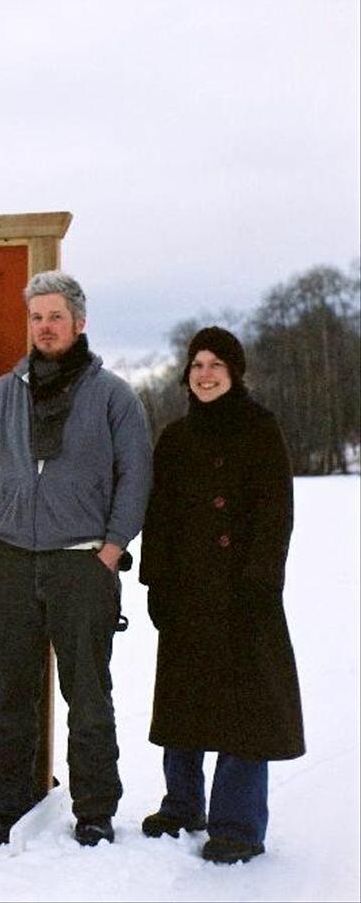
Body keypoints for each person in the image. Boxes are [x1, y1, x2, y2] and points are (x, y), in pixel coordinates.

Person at [0, 270, 152, 848]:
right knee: (10, 695)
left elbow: (135, 476)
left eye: (56, 317)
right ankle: (9, 802)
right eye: (37, 317)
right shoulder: (2, 395)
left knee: (88, 695)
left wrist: (112, 548)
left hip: (81, 564)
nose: (45, 327)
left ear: (79, 322)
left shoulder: (112, 396)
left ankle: (94, 808)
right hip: (9, 562)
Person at [138, 326, 305, 864]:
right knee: (183, 702)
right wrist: (155, 582)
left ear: (234, 373)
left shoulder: (260, 429)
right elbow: (159, 517)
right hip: (186, 593)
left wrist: (261, 582)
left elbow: (276, 513)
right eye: (197, 365)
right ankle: (183, 804)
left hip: (244, 593)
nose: (205, 374)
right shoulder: (175, 438)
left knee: (244, 710)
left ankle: (237, 826)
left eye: (215, 365)